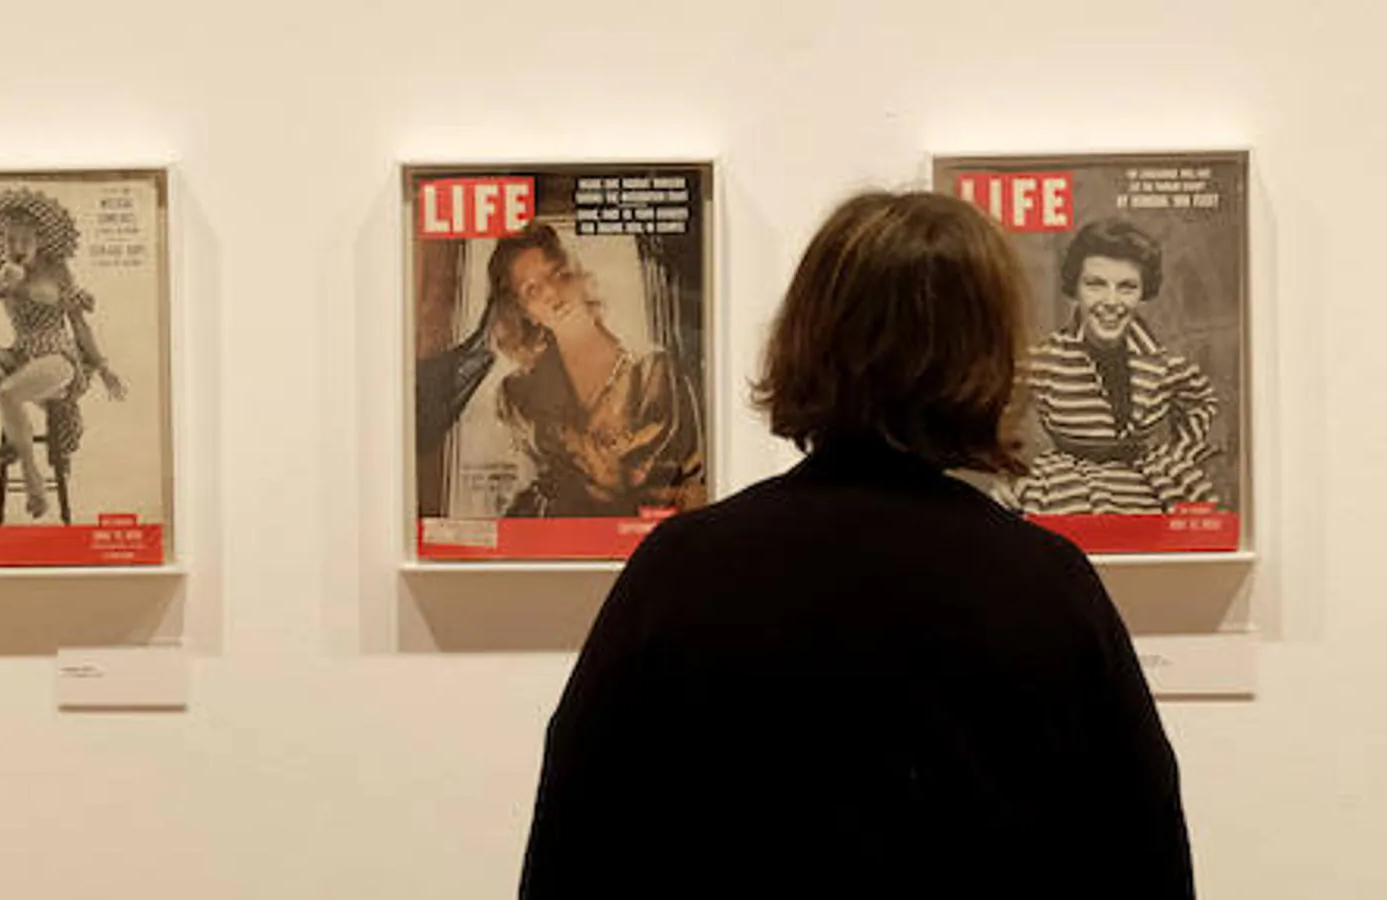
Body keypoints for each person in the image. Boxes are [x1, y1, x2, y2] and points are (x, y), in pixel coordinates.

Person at [520, 192, 1193, 898]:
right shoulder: (1046, 587)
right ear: (990, 357)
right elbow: (1143, 862)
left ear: (806, 338)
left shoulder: (682, 568)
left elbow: (575, 846)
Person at [421, 221, 705, 517]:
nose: (552, 294)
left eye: (558, 274)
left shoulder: (654, 370)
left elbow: (693, 483)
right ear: (524, 311)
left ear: (579, 274)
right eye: (532, 290)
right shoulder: (517, 394)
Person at [1012, 217, 1222, 514]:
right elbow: (997, 417)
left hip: (1151, 482)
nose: (1111, 302)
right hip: (1065, 486)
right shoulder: (1044, 361)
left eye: (1127, 287)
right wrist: (1008, 475)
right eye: (1095, 284)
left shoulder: (1165, 364)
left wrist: (1180, 455)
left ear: (1143, 293)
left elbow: (1203, 403)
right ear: (1075, 288)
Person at [0, 188, 128, 521]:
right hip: (21, 352)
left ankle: (32, 476)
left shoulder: (57, 271)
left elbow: (77, 323)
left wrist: (104, 366)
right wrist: (1, 283)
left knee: (8, 393)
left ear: (39, 240)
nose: (17, 247)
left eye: (24, 239)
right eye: (10, 240)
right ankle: (16, 427)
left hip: (58, 357)